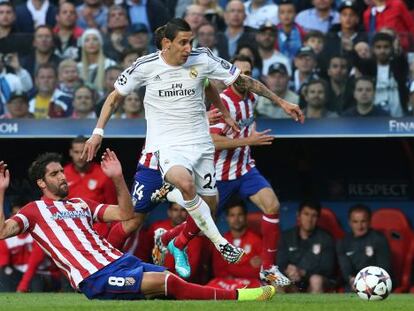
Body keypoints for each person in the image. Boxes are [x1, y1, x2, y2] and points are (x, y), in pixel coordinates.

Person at [82, 18, 303, 283]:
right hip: (161, 150)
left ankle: (174, 240)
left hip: (199, 148)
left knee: (206, 209)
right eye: (183, 42)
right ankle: (96, 265)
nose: (189, 48)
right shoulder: (146, 66)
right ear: (167, 43)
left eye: (191, 42)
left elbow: (224, 84)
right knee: (133, 219)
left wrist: (280, 102)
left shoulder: (202, 59)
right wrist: (98, 133)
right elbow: (114, 97)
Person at [0, 153, 276, 301]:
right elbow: (2, 232)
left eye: (61, 171)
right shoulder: (33, 211)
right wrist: (1, 190)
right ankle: (241, 298)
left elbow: (125, 213)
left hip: (119, 261)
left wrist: (118, 178)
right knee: (168, 282)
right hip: (94, 277)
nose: (62, 176)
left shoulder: (80, 204)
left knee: (172, 283)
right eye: (54, 174)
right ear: (41, 183)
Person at [209, 54, 291, 286]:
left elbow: (262, 90)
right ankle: (168, 240)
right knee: (199, 224)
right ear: (229, 76)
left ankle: (268, 269)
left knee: (272, 205)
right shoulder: (223, 102)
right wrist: (249, 141)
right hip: (219, 174)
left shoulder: (251, 97)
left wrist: (283, 103)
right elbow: (212, 140)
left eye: (248, 73)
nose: (243, 78)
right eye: (239, 73)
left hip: (244, 169)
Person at [277, 201, 336, 293]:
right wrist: (288, 270)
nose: (309, 219)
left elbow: (328, 269)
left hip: (316, 282)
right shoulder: (286, 236)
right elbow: (280, 263)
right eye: (306, 214)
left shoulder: (326, 238)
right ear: (298, 215)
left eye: (314, 215)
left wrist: (302, 272)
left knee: (316, 280)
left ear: (318, 218)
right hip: (293, 281)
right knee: (277, 281)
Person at [207, 199, 262, 290]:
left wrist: (231, 267)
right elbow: (218, 271)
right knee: (211, 286)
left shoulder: (256, 240)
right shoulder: (221, 241)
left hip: (251, 282)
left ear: (245, 216)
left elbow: (259, 271)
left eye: (240, 215)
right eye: (232, 215)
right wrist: (247, 264)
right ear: (227, 218)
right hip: (227, 282)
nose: (236, 219)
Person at [337, 204, 391, 291]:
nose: (360, 226)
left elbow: (384, 268)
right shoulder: (343, 242)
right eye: (355, 221)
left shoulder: (379, 239)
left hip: (378, 284)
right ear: (349, 222)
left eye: (363, 221)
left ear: (369, 222)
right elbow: (346, 269)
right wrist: (353, 281)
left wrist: (369, 283)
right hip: (353, 285)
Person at [64, 136, 117, 204]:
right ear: (70, 152)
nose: (80, 157)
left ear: (90, 151)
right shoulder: (63, 174)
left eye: (84, 152)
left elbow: (112, 204)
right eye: (76, 152)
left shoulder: (104, 173)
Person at [77, 29, 117, 95]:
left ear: (100, 43)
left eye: (95, 39)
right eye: (87, 40)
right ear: (83, 45)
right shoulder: (78, 67)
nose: (91, 43)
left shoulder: (110, 64)